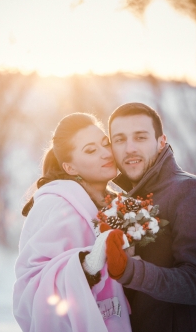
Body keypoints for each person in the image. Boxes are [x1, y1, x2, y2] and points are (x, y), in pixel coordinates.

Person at [105, 102, 196, 332]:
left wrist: (130, 269)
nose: (129, 148)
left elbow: (195, 284)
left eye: (140, 137)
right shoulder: (121, 202)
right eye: (120, 139)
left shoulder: (191, 192)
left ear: (161, 142)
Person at [13, 113, 132, 332]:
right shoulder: (57, 206)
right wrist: (87, 265)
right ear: (70, 168)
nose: (106, 153)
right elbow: (31, 285)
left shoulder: (119, 204)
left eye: (105, 144)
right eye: (90, 150)